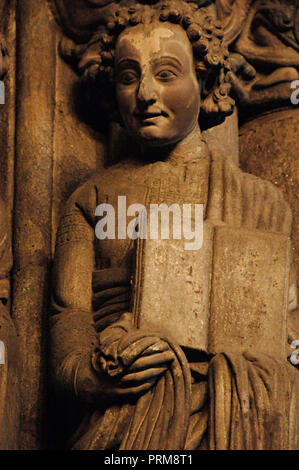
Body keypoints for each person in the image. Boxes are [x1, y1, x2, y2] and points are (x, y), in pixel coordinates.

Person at [50, 0, 298, 449]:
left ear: (204, 80)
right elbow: (70, 314)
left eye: (165, 74)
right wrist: (88, 376)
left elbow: (289, 326)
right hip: (126, 410)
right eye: (128, 77)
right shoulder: (90, 199)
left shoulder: (262, 200)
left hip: (233, 416)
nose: (145, 93)